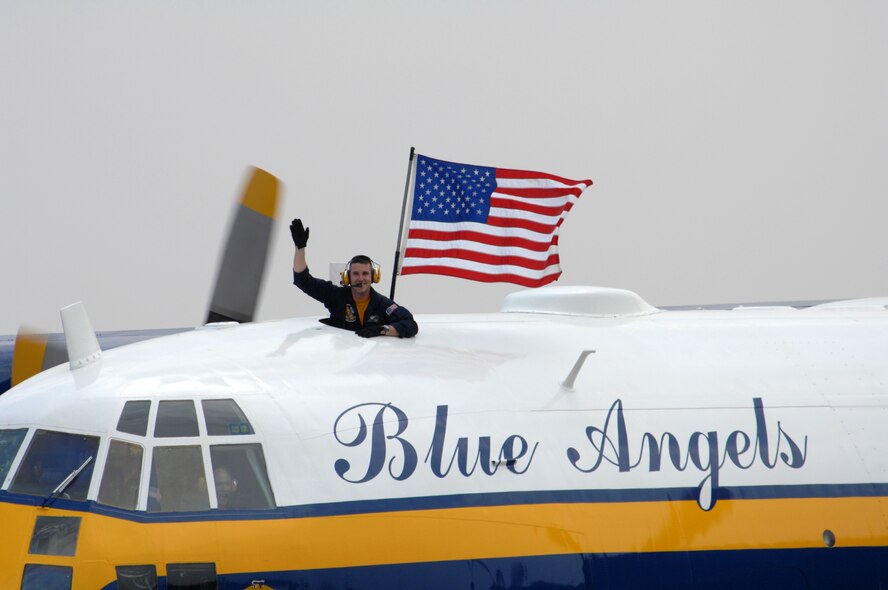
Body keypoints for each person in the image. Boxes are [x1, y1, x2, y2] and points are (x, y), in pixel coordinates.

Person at [290, 218, 418, 338]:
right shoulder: (335, 296)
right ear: (347, 277)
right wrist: (300, 248)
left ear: (374, 276)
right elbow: (303, 280)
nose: (361, 278)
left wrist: (383, 330)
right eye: (356, 274)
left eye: (365, 274)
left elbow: (411, 324)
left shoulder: (382, 304)